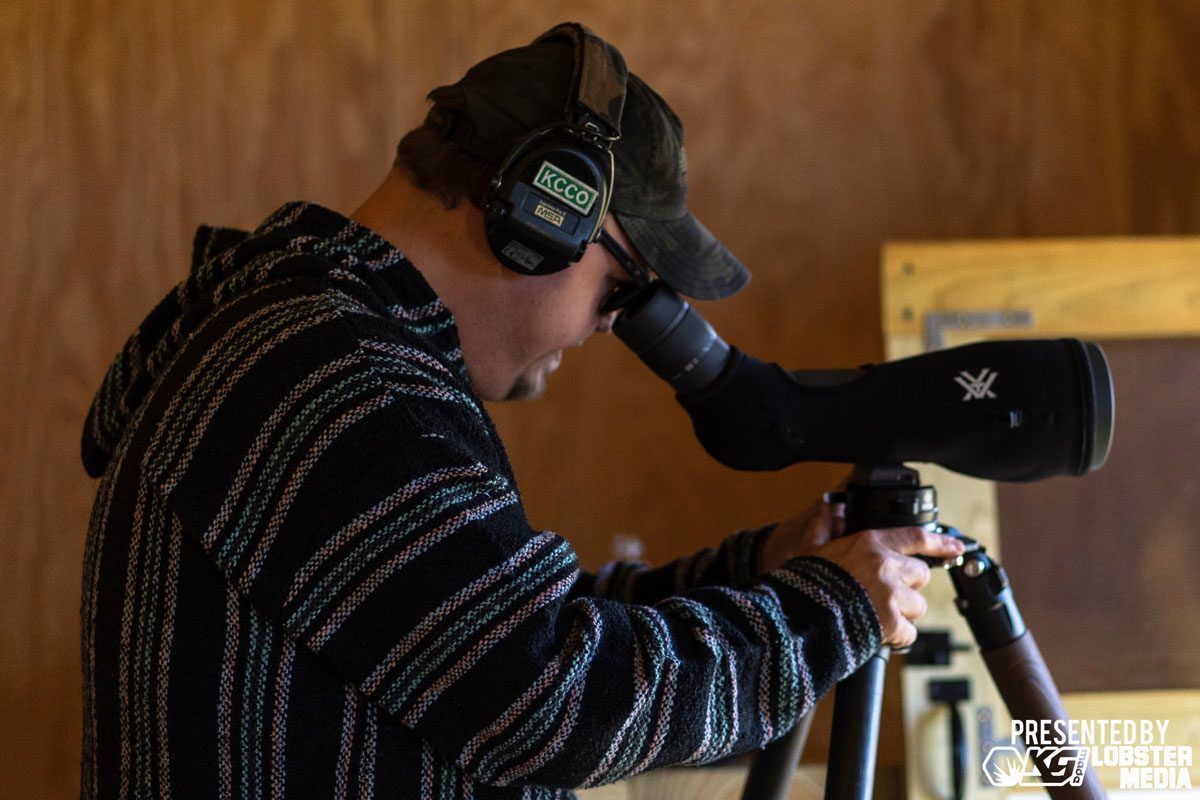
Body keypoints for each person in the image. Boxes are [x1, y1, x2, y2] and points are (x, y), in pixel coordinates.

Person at [79, 22, 962, 800]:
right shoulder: (346, 382)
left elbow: (497, 637)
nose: (610, 324)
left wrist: (763, 571)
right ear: (542, 213)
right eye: (621, 287)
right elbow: (552, 702)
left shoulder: (312, 343)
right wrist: (828, 613)